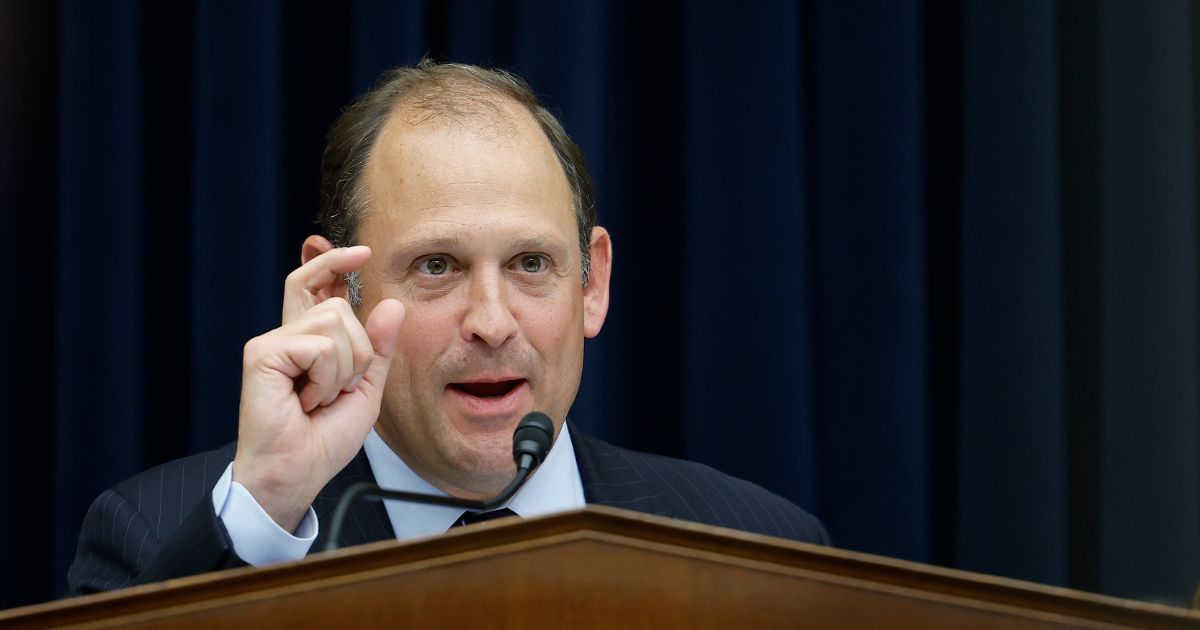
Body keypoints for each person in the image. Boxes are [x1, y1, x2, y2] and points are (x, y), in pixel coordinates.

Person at [68, 60, 829, 595]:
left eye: (532, 263)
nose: (492, 323)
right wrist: (270, 504)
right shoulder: (153, 537)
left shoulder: (761, 553)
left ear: (592, 283)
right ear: (338, 290)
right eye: (436, 266)